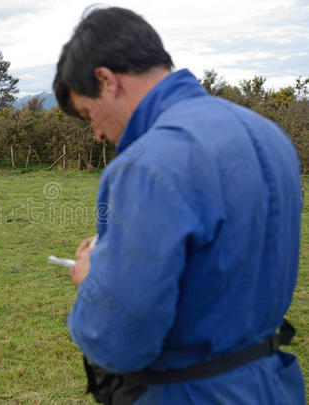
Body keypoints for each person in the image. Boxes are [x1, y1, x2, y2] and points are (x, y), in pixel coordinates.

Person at [53, 6, 305, 405]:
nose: (97, 133)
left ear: (106, 79)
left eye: (88, 113)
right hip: (271, 385)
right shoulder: (269, 136)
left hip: (192, 392)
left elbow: (121, 341)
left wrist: (93, 280)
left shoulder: (148, 165)